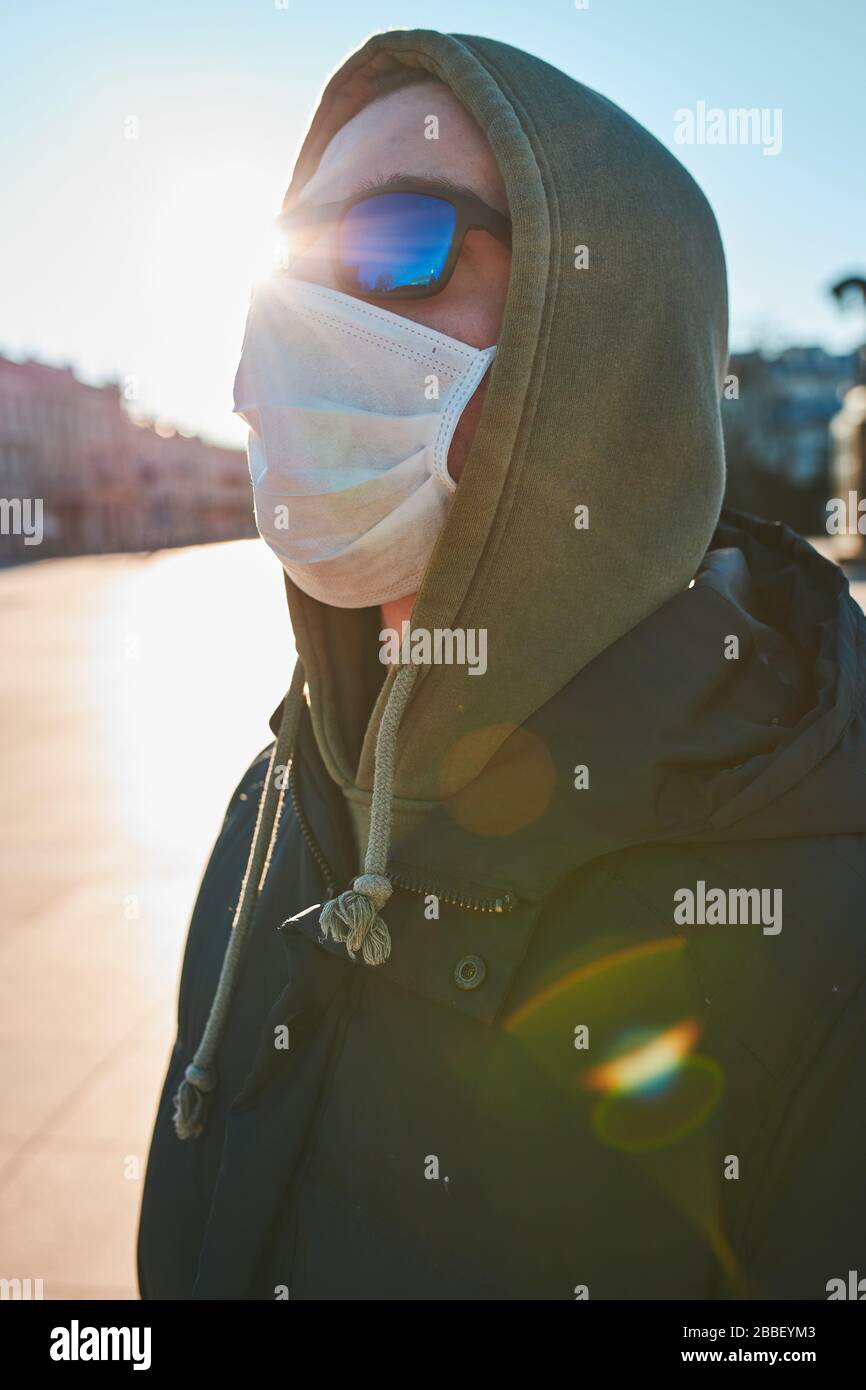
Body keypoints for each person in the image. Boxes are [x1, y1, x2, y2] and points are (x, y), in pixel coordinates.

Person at [138, 28, 866, 1301]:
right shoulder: (275, 802)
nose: (301, 334)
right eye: (282, 277)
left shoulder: (825, 901)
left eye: (391, 244)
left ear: (601, 333)